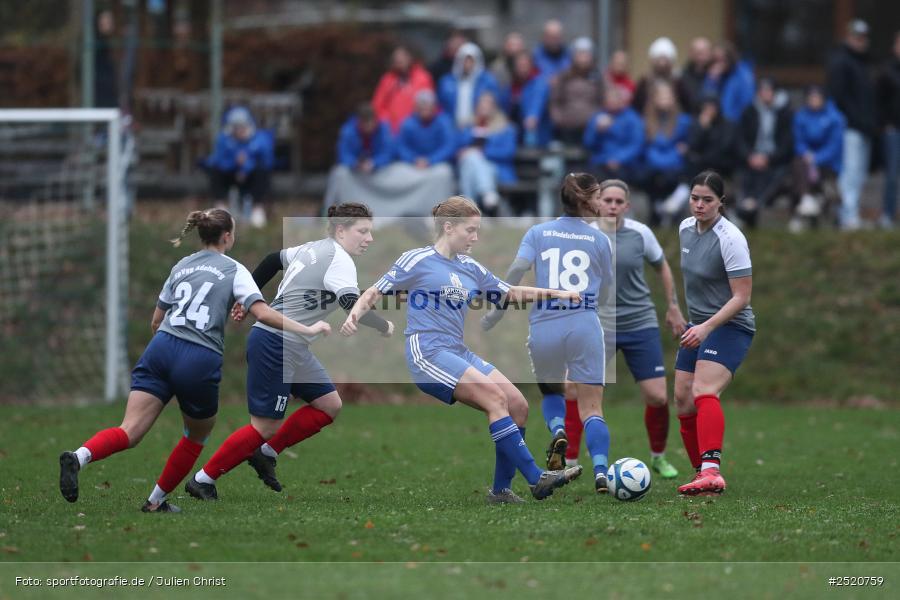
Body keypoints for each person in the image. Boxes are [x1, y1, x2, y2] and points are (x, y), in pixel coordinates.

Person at [58, 209, 320, 512]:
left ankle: (79, 456)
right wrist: (307, 327)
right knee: (197, 434)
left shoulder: (182, 265)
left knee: (129, 430)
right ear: (227, 236)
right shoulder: (235, 269)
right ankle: (156, 502)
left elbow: (157, 320)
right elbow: (261, 312)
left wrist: (167, 351)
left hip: (160, 348)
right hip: (199, 356)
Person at [343, 196, 584, 503]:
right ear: (448, 227)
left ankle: (500, 491)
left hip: (456, 350)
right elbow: (376, 290)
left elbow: (509, 294)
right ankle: (536, 478)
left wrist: (557, 294)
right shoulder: (416, 259)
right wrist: (355, 314)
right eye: (470, 230)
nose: (475, 237)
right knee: (495, 399)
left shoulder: (469, 266)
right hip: (427, 352)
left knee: (518, 405)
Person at [186, 204, 392, 499]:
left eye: (370, 231)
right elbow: (350, 303)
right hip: (276, 343)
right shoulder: (340, 260)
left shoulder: (313, 247)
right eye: (363, 231)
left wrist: (248, 297)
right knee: (265, 425)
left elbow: (272, 260)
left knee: (329, 405)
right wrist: (383, 325)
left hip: (292, 344)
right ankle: (203, 479)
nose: (369, 238)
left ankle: (265, 454)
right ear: (341, 230)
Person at [481, 174, 617, 493]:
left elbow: (515, 274)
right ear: (585, 201)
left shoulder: (538, 232)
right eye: (598, 196)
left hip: (544, 325)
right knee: (592, 407)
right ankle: (600, 471)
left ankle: (558, 429)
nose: (602, 202)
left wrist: (497, 311)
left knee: (553, 393)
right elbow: (608, 289)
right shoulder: (599, 240)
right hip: (583, 323)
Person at [558, 179, 687, 479]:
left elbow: (662, 267)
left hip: (639, 322)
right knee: (573, 388)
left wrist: (673, 306)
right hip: (596, 325)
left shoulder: (641, 234)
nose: (613, 206)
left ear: (627, 205)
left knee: (657, 396)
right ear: (597, 202)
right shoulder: (584, 235)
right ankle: (569, 461)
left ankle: (658, 457)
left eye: (619, 201)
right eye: (607, 200)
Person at [674, 171, 754, 496]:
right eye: (695, 198)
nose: (699, 205)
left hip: (730, 326)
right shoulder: (684, 229)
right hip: (698, 325)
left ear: (721, 202)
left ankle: (712, 472)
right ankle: (700, 475)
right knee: (682, 400)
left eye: (708, 200)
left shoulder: (731, 238)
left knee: (703, 389)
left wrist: (706, 326)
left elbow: (742, 297)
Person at [827, 19, 877, 230]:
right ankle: (848, 216)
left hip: (863, 127)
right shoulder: (841, 61)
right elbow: (839, 98)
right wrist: (853, 119)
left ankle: (851, 213)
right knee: (850, 172)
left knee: (859, 173)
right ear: (848, 36)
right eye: (856, 36)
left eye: (863, 37)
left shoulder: (863, 63)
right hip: (849, 127)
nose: (860, 41)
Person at [735, 78, 794, 227]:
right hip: (752, 157)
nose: (766, 94)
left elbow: (787, 143)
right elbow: (741, 139)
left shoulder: (785, 113)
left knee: (776, 176)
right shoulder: (749, 111)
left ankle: (754, 204)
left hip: (775, 159)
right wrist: (750, 156)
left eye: (769, 91)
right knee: (744, 175)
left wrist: (769, 158)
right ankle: (744, 203)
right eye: (763, 91)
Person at [205, 106, 274, 228]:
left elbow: (267, 161)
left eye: (242, 126)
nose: (240, 130)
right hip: (231, 174)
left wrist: (245, 167)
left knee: (262, 172)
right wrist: (235, 164)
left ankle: (257, 209)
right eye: (236, 127)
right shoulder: (224, 139)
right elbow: (218, 160)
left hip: (251, 176)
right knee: (215, 171)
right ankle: (220, 208)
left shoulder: (260, 139)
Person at [790, 86, 845, 232]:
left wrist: (816, 158)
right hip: (806, 160)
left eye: (817, 97)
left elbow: (834, 146)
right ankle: (805, 199)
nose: (814, 101)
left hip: (828, 164)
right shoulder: (801, 116)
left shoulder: (835, 118)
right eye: (811, 97)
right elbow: (798, 140)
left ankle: (808, 209)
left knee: (828, 191)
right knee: (799, 166)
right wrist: (807, 154)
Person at [641, 81, 693, 225]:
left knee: (673, 175)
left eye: (668, 96)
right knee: (651, 176)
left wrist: (679, 152)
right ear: (654, 99)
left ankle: (671, 210)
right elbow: (647, 146)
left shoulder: (683, 121)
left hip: (674, 164)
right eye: (661, 96)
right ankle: (658, 212)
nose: (665, 100)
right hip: (654, 164)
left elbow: (686, 144)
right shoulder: (646, 122)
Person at [456, 92, 518, 213]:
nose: (484, 108)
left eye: (488, 105)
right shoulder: (468, 126)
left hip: (496, 167)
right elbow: (459, 147)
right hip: (470, 166)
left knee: (472, 158)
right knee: (470, 160)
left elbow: (508, 152)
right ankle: (487, 193)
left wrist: (483, 152)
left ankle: (468, 205)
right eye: (482, 105)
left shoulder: (505, 127)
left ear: (495, 107)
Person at [549, 37, 604, 145]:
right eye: (580, 54)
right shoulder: (564, 76)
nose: (583, 58)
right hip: (567, 128)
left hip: (592, 128)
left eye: (586, 54)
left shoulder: (598, 77)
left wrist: (600, 117)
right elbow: (554, 100)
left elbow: (605, 98)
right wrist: (558, 119)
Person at [583, 85, 644, 181]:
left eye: (614, 99)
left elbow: (636, 144)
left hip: (625, 163)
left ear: (621, 101)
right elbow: (588, 143)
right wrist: (597, 132)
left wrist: (619, 159)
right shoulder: (598, 117)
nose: (611, 102)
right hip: (600, 160)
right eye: (608, 100)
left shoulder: (632, 118)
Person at [372, 45, 435, 133]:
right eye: (396, 59)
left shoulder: (423, 78)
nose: (399, 61)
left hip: (416, 129)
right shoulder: (387, 79)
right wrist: (385, 123)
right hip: (391, 130)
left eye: (401, 58)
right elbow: (378, 105)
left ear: (409, 58)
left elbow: (429, 105)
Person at [438, 42, 501, 129]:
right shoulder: (447, 82)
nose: (467, 64)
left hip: (477, 127)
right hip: (452, 126)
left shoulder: (487, 81)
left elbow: (493, 105)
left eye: (471, 60)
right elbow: (441, 106)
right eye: (464, 60)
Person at [503, 51, 552, 148]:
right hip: (517, 136)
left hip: (539, 135)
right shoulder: (511, 86)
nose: (522, 69)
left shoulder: (539, 83)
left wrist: (533, 116)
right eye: (519, 65)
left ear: (531, 66)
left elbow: (538, 101)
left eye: (525, 65)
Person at [632, 37, 691, 114]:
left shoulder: (678, 81)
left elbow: (687, 105)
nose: (662, 63)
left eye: (665, 59)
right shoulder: (645, 80)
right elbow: (636, 105)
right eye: (659, 59)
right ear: (653, 61)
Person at [878, 31, 900, 229]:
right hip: (893, 130)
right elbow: (880, 102)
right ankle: (887, 215)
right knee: (892, 175)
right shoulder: (887, 71)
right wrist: (884, 125)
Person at [703, 42, 755, 123]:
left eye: (722, 60)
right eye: (716, 60)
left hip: (736, 123)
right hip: (717, 123)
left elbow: (746, 103)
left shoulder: (743, 74)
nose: (719, 64)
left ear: (730, 59)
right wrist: (711, 81)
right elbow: (706, 100)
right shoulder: (713, 74)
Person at [681, 37, 713, 114]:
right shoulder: (682, 76)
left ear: (710, 54)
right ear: (690, 54)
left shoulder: (718, 73)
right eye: (698, 53)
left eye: (704, 53)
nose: (701, 57)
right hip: (690, 119)